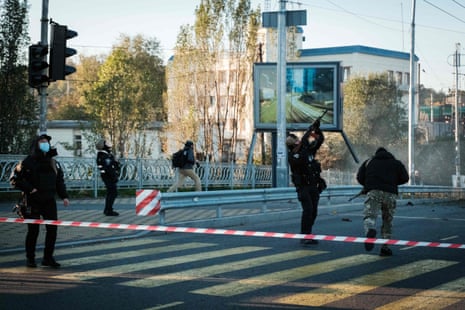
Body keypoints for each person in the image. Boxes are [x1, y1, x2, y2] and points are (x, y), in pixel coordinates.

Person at [11, 133, 70, 268]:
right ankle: (30, 259)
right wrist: (30, 189)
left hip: (49, 201)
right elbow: (14, 180)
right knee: (33, 231)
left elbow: (59, 181)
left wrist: (64, 196)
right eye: (42, 142)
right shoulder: (27, 162)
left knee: (52, 229)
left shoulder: (53, 162)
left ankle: (48, 258)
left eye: (47, 142)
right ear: (36, 145)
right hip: (32, 201)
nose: (45, 144)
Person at [356, 147, 409, 256]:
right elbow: (405, 178)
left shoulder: (369, 162)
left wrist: (369, 184)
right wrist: (392, 182)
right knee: (387, 220)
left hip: (374, 192)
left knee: (369, 216)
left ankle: (370, 230)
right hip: (390, 194)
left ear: (376, 154)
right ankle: (385, 247)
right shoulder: (396, 163)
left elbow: (360, 177)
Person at [286, 119, 325, 245]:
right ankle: (305, 235)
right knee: (307, 210)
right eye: (297, 141)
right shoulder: (293, 156)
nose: (299, 142)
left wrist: (315, 130)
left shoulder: (308, 150)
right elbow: (301, 159)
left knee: (314, 212)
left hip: (313, 186)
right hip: (303, 187)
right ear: (293, 145)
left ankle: (308, 232)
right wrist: (305, 138)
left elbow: (319, 140)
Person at [96, 139, 120, 216]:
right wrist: (114, 176)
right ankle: (108, 210)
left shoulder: (107, 155)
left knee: (112, 193)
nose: (109, 146)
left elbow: (115, 165)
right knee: (112, 193)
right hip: (108, 177)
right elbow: (109, 167)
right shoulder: (103, 155)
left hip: (109, 177)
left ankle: (108, 209)